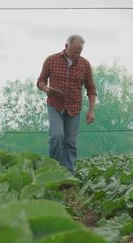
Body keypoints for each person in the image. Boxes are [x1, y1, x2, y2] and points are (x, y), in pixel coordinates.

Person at [37, 34, 97, 174]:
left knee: (70, 142)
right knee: (57, 136)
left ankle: (68, 174)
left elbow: (91, 88)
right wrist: (47, 90)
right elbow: (40, 81)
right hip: (55, 105)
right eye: (74, 51)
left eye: (79, 52)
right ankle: (53, 170)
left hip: (74, 107)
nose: (76, 54)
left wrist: (91, 110)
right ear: (66, 46)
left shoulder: (85, 64)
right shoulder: (51, 60)